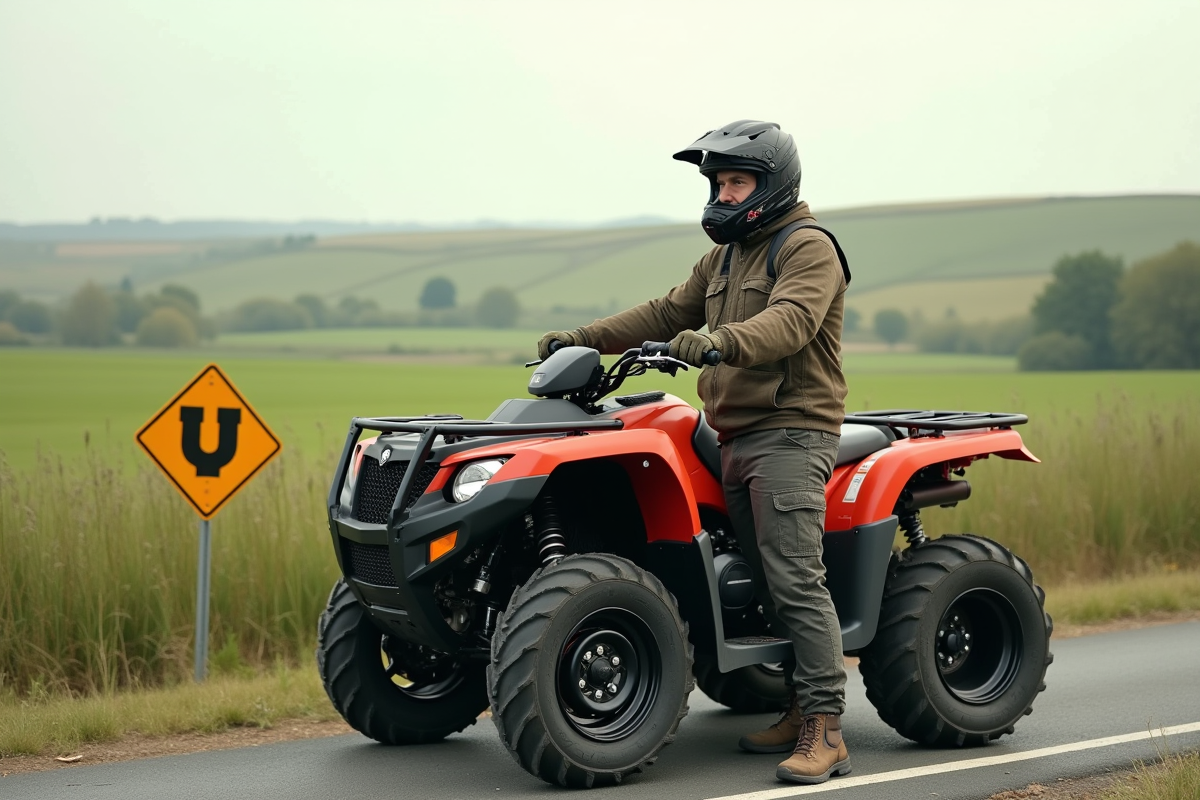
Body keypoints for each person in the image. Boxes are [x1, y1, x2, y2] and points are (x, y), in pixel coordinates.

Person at [537, 119, 852, 785]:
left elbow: (791, 322)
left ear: (771, 184)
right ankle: (797, 708)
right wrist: (583, 338)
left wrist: (719, 342)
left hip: (791, 431)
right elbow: (665, 311)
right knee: (765, 582)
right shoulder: (727, 256)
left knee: (795, 578)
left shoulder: (808, 247)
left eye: (737, 181)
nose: (725, 193)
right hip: (731, 435)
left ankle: (826, 729)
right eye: (719, 182)